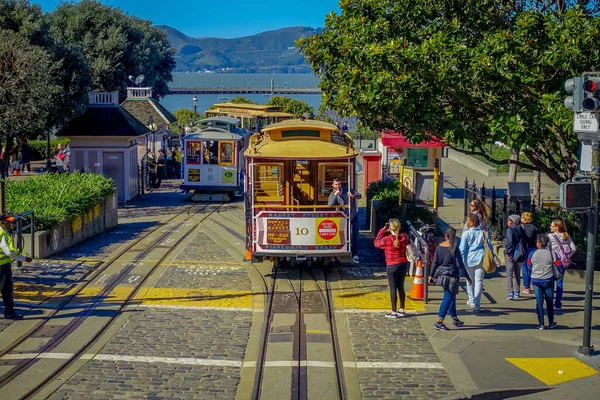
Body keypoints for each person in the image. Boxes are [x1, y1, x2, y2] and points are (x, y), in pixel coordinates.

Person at [429, 227, 472, 330]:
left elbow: (435, 263)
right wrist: (468, 277)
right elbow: (460, 265)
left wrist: (432, 275)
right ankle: (439, 321)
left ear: (446, 235)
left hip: (442, 276)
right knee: (448, 298)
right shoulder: (454, 248)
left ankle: (455, 319)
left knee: (451, 297)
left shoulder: (439, 247)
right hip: (452, 276)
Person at [374, 219, 409, 318]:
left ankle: (393, 312)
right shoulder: (404, 237)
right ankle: (401, 309)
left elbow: (376, 243)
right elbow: (405, 241)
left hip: (391, 266)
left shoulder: (387, 240)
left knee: (393, 288)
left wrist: (382, 231)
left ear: (390, 228)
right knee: (401, 287)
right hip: (402, 264)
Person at [0, 214, 33, 320]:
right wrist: (23, 258)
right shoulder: (2, 234)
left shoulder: (3, 232)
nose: (11, 224)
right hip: (2, 267)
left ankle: (10, 312)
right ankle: (9, 312)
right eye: (9, 222)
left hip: (4, 266)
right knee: (7, 290)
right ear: (2, 222)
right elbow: (8, 252)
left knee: (7, 290)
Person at [459, 213, 493, 313]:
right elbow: (490, 247)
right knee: (479, 282)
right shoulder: (484, 233)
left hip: (468, 259)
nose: (466, 222)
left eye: (468, 220)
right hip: (481, 258)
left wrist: (460, 261)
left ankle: (471, 300)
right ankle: (477, 305)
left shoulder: (466, 234)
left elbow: (462, 249)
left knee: (469, 280)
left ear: (472, 222)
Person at [527, 234, 561, 330]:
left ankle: (541, 323)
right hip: (548, 280)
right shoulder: (552, 254)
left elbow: (529, 267)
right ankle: (551, 322)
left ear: (538, 243)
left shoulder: (532, 254)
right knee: (549, 301)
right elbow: (559, 265)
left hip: (536, 280)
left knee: (539, 301)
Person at [328, 177, 362, 264]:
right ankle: (336, 254)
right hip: (342, 217)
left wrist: (353, 195)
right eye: (335, 184)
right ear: (333, 185)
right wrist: (336, 194)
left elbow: (360, 195)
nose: (337, 186)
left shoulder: (348, 190)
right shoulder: (333, 193)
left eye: (338, 184)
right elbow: (330, 204)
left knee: (355, 235)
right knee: (340, 235)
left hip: (353, 216)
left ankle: (355, 255)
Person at [547, 219, 576, 311]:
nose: (550, 227)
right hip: (562, 262)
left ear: (557, 227)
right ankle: (558, 304)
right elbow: (573, 248)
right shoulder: (565, 235)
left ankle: (549, 303)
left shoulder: (550, 236)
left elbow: (547, 248)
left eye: (552, 225)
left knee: (550, 282)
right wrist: (566, 256)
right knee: (560, 282)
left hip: (552, 261)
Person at [505, 214, 525, 300]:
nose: (507, 222)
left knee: (509, 273)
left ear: (512, 221)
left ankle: (510, 292)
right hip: (519, 253)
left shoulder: (510, 229)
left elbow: (510, 241)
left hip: (511, 253)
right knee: (517, 273)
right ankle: (517, 292)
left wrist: (509, 253)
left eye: (509, 220)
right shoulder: (521, 228)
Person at [520, 212, 538, 295]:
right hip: (533, 248)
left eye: (522, 217)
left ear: (524, 219)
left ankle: (527, 287)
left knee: (524, 267)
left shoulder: (521, 227)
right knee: (531, 267)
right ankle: (534, 284)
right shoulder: (534, 227)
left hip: (524, 248)